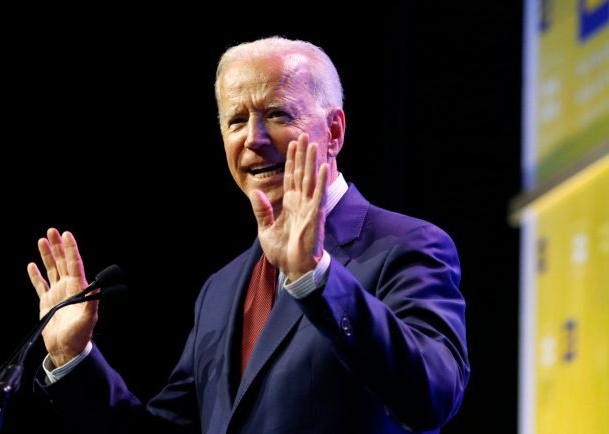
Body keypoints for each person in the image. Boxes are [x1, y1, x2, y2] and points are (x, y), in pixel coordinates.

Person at [26, 36, 470, 434]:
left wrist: (316, 278)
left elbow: (433, 397)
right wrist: (74, 360)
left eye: (277, 114)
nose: (254, 139)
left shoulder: (406, 246)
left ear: (334, 132)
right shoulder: (219, 291)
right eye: (236, 121)